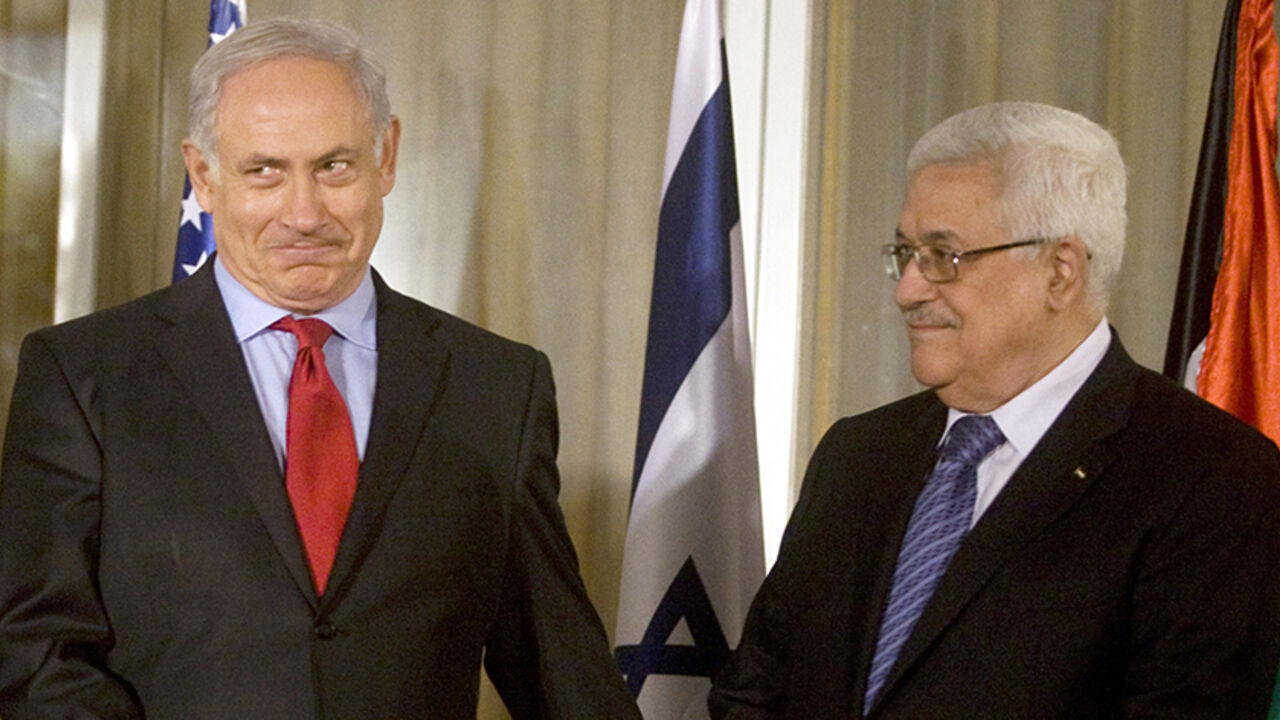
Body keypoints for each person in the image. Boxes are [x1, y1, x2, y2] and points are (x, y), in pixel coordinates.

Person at [0, 18, 640, 720]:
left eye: (334, 167)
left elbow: (563, 675)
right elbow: (36, 661)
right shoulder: (83, 376)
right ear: (204, 177)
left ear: (387, 156)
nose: (304, 214)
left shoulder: (495, 388)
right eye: (264, 171)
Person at [708, 101, 1280, 719]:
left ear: (1060, 272)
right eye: (905, 253)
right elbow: (753, 696)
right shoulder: (857, 455)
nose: (908, 289)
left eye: (943, 256)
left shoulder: (1213, 478)